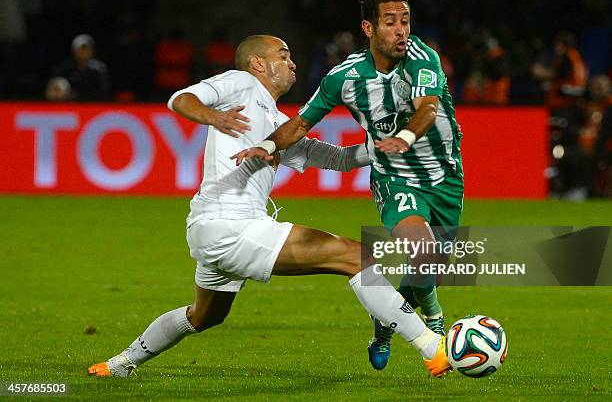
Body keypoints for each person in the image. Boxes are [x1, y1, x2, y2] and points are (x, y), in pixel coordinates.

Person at [87, 34, 450, 379]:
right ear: (258, 63)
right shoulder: (241, 83)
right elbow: (180, 99)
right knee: (356, 257)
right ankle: (432, 346)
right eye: (283, 55)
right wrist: (215, 117)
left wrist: (381, 146)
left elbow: (337, 159)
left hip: (213, 230)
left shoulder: (278, 124)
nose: (292, 63)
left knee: (203, 316)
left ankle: (121, 362)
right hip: (232, 227)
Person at [233, 0, 463, 371]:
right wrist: (268, 147)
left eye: (405, 21)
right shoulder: (344, 77)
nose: (401, 30)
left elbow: (426, 110)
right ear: (369, 28)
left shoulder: (425, 59)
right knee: (422, 250)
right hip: (394, 177)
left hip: (444, 176)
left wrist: (404, 137)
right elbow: (301, 124)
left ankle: (384, 325)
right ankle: (436, 324)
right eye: (390, 22)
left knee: (430, 264)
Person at [53, 34, 111, 101]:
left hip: (94, 105)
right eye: (81, 49)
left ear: (92, 51)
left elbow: (105, 91)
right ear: (74, 51)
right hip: (71, 105)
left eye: (86, 49)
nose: (83, 53)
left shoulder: (100, 69)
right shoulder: (65, 69)